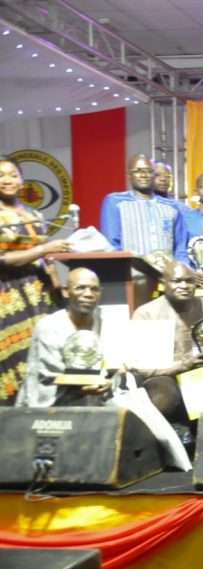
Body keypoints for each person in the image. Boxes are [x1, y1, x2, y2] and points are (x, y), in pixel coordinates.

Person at [0, 155, 68, 404]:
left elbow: (46, 258)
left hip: (39, 294)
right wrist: (42, 249)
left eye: (13, 174)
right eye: (1, 176)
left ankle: (36, 410)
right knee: (12, 356)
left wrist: (57, 285)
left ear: (21, 179)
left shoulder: (34, 214)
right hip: (7, 295)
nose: (7, 180)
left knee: (40, 351)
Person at [130, 262, 203, 425]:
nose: (184, 286)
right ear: (163, 283)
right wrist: (182, 366)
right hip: (164, 376)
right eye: (177, 281)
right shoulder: (147, 313)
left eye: (189, 281)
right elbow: (140, 367)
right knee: (163, 397)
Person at [16, 268, 107, 407]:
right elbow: (50, 374)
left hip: (98, 396)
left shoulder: (106, 322)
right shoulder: (49, 326)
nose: (88, 294)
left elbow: (116, 365)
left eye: (94, 289)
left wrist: (109, 381)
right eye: (80, 288)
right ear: (65, 291)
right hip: (52, 402)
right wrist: (85, 386)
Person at [100, 154, 188, 262]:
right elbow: (111, 245)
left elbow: (180, 248)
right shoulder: (115, 202)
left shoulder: (172, 207)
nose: (143, 175)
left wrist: (182, 268)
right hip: (131, 270)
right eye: (138, 171)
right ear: (129, 175)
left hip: (167, 271)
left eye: (148, 171)